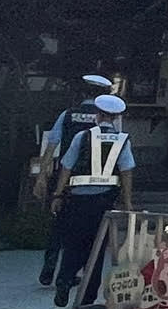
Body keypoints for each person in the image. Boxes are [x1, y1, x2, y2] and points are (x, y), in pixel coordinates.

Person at [49, 93, 135, 309]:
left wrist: (58, 194)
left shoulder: (83, 137)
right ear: (115, 118)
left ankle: (64, 280)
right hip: (104, 202)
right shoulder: (122, 140)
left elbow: (66, 166)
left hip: (77, 199)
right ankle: (88, 295)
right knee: (97, 247)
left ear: (97, 115)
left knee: (73, 243)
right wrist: (127, 201)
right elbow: (126, 172)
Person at [35, 73, 115, 285]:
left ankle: (48, 269)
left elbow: (51, 145)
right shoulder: (109, 120)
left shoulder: (68, 114)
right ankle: (70, 274)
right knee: (82, 231)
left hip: (64, 177)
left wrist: (42, 176)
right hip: (95, 183)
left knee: (57, 224)